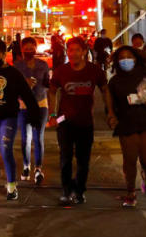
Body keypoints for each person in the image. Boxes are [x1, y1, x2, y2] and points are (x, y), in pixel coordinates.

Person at [48, 37, 116, 205]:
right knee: (65, 158)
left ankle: (79, 191)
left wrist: (110, 112)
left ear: (84, 52)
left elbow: (105, 90)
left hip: (85, 122)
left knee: (83, 160)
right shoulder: (61, 71)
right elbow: (52, 91)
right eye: (70, 50)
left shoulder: (95, 71)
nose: (73, 53)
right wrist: (52, 115)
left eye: (77, 50)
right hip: (65, 122)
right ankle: (66, 190)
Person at [108, 46, 146, 207]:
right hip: (127, 123)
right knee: (129, 160)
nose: (125, 60)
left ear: (136, 58)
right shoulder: (115, 81)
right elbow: (110, 104)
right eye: (121, 58)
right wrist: (112, 116)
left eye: (129, 57)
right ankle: (130, 192)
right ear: (117, 61)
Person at [0, 40, 41, 200]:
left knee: (5, 148)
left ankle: (11, 186)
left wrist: (34, 115)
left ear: (4, 55)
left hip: (8, 117)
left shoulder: (14, 74)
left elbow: (27, 95)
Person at [13, 36, 51, 185]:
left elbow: (48, 84)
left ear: (36, 48)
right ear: (22, 49)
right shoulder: (17, 66)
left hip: (41, 104)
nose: (29, 50)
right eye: (26, 48)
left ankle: (38, 168)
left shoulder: (43, 65)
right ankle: (26, 166)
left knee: (38, 137)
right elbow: (12, 88)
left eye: (32, 47)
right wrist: (25, 85)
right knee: (25, 138)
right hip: (23, 105)